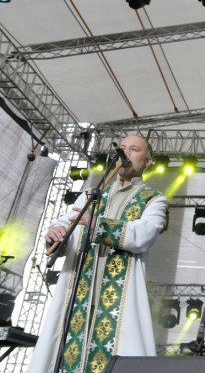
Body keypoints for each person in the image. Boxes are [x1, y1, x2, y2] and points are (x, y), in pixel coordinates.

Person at [29, 135, 167, 373]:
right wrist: (55, 233)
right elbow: (65, 222)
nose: (125, 153)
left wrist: (97, 224)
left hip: (118, 301)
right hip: (78, 295)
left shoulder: (154, 199)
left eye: (134, 149)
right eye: (122, 148)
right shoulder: (90, 195)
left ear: (147, 162)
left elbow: (144, 234)